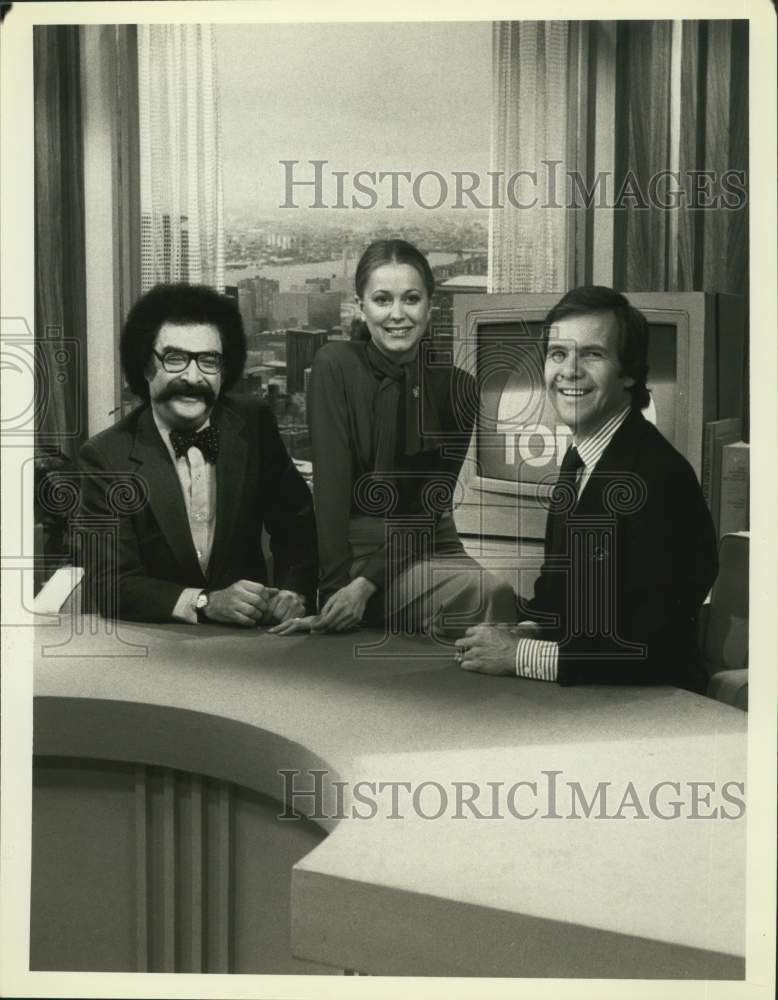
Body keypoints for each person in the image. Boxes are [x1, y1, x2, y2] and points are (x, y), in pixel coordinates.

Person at [455, 286, 718, 690]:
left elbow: (656, 650)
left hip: (651, 711)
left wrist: (518, 655)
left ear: (628, 372)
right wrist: (523, 631)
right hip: (587, 699)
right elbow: (556, 598)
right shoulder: (577, 462)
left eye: (592, 354)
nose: (569, 371)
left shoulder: (660, 479)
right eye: (558, 354)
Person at [272, 238, 515, 637]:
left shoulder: (460, 388)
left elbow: (427, 509)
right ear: (361, 305)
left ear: (429, 306)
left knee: (496, 602)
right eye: (383, 300)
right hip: (353, 551)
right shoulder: (335, 365)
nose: (397, 315)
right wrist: (334, 593)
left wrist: (366, 587)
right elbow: (330, 494)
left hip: (425, 542)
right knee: (488, 594)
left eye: (411, 299)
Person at [78, 283, 317, 625]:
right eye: (175, 359)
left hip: (253, 646)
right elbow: (111, 584)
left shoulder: (254, 424)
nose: (193, 377)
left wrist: (294, 593)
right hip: (158, 647)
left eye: (208, 361)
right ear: (145, 366)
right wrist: (204, 603)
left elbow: (297, 527)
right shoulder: (105, 458)